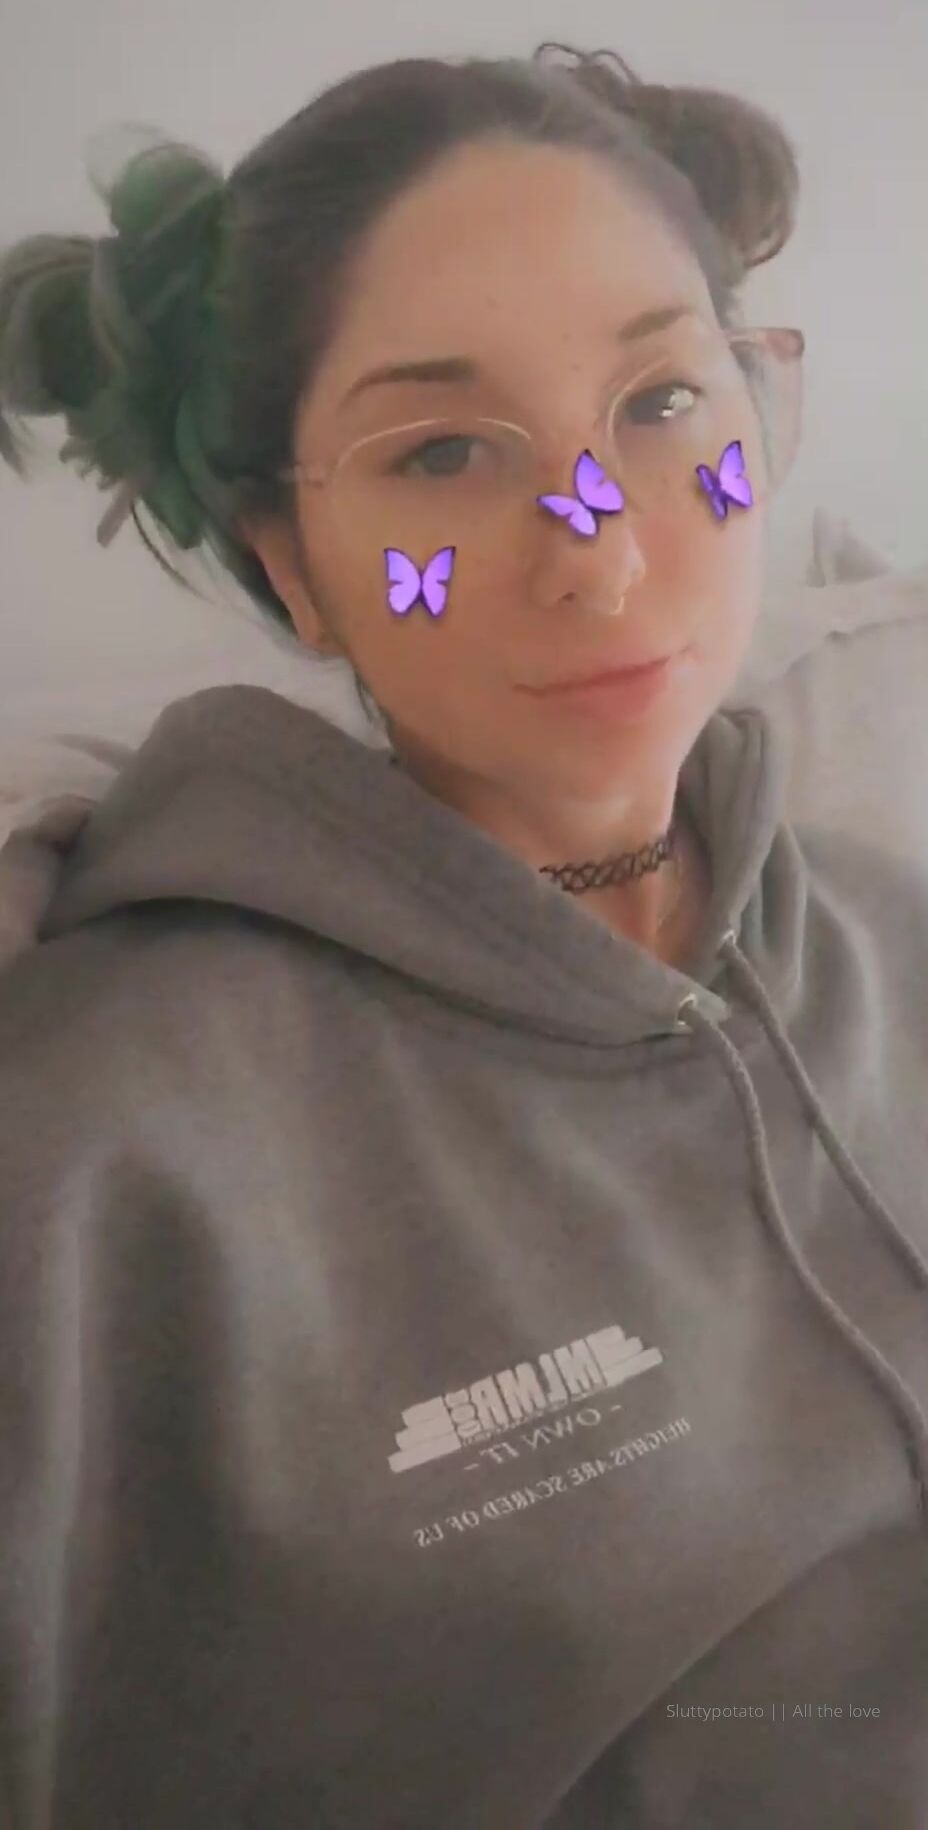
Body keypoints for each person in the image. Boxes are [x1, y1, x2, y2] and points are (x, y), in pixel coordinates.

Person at [1, 40, 927, 1830]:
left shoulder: (893, 936)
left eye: (664, 401)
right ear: (291, 562)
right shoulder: (101, 1154)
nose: (599, 551)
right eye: (440, 449)